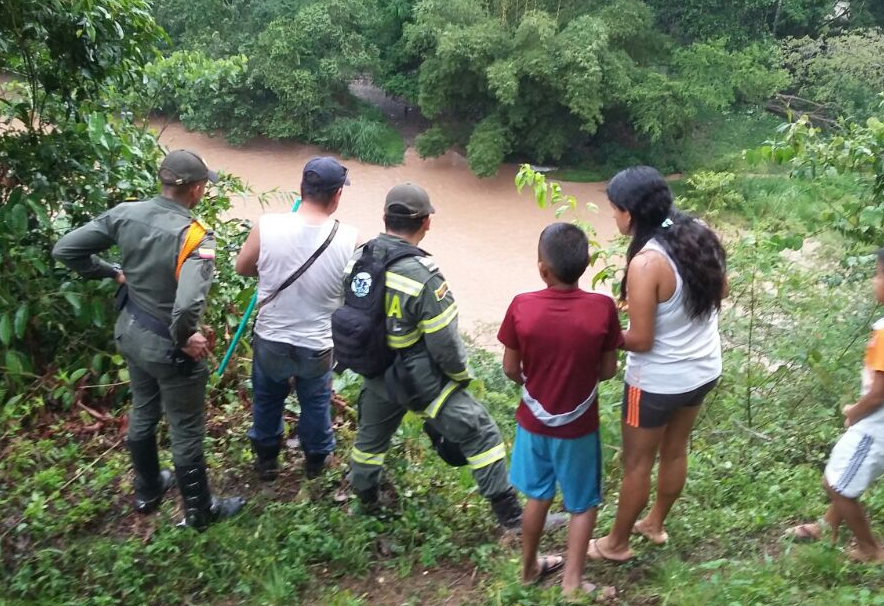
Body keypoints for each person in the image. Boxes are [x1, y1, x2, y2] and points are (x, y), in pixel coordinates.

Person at [52, 149, 244, 530]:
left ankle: (148, 489)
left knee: (143, 408)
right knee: (186, 428)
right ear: (196, 189)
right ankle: (199, 512)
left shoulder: (126, 213)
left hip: (131, 333)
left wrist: (111, 272)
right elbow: (188, 304)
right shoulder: (196, 236)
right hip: (168, 349)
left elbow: (66, 249)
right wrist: (186, 336)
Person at [346, 183, 528, 530]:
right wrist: (459, 378)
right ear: (426, 222)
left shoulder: (359, 258)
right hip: (418, 376)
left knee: (369, 441)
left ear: (384, 217)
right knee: (481, 430)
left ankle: (366, 501)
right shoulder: (424, 276)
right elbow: (444, 343)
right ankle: (512, 518)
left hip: (374, 369)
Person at [588, 166, 727, 563]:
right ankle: (654, 523)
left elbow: (642, 340)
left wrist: (603, 333)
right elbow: (721, 291)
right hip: (702, 369)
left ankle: (615, 544)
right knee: (675, 450)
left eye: (614, 210)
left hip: (655, 383)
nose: (613, 217)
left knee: (636, 462)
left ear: (630, 214)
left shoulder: (646, 263)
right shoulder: (698, 233)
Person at [789, 243, 884, 562]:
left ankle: (870, 550)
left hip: (879, 425)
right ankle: (823, 526)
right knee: (847, 477)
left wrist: (854, 412)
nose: (873, 281)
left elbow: (879, 393)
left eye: (877, 276)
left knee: (837, 485)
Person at [498, 223, 622, 596]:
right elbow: (608, 370)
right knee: (582, 504)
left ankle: (528, 569)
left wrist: (533, 382)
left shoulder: (522, 306)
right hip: (579, 428)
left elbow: (509, 368)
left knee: (537, 495)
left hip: (533, 424)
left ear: (542, 268)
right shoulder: (602, 309)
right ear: (585, 265)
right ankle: (571, 583)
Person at [234, 157, 359, 480]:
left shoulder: (267, 225)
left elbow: (243, 268)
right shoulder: (350, 239)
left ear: (302, 188)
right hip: (317, 343)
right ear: (336, 196)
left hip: (271, 338)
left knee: (266, 399)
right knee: (316, 402)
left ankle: (266, 464)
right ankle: (315, 464)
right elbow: (353, 296)